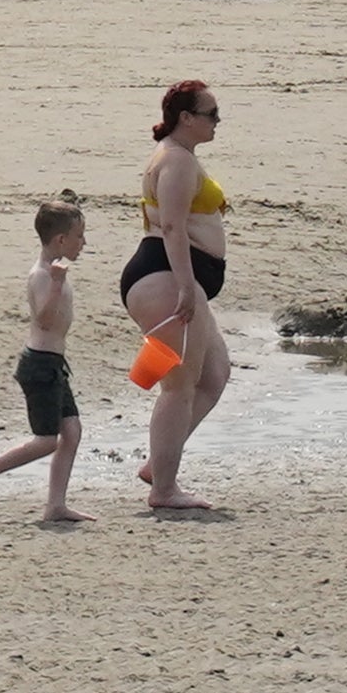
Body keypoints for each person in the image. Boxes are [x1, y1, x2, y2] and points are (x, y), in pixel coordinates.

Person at [129, 83, 237, 519]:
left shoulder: (183, 156)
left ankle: (159, 462)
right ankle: (165, 488)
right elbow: (172, 229)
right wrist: (188, 286)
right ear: (186, 117)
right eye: (211, 113)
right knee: (179, 383)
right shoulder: (173, 160)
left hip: (175, 275)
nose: (217, 121)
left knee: (214, 374)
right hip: (165, 276)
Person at [0, 200, 91, 527]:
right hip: (40, 366)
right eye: (79, 236)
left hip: (54, 364)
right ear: (60, 240)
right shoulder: (43, 275)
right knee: (46, 440)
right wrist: (58, 284)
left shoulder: (51, 270)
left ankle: (56, 505)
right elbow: (44, 320)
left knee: (71, 432)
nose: (83, 243)